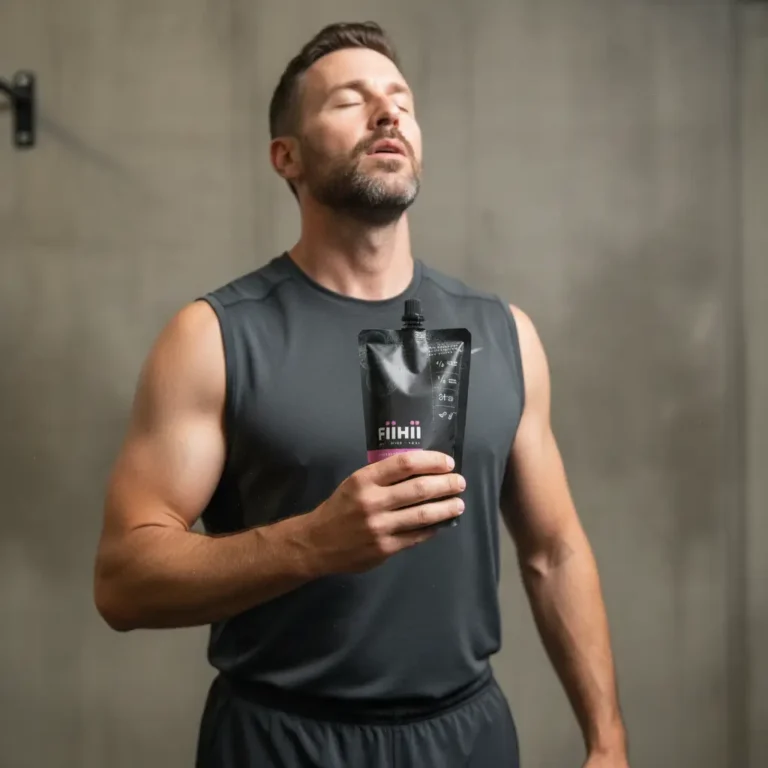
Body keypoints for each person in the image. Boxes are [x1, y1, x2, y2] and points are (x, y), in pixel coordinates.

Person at [94, 21, 629, 768]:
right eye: (350, 100)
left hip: (465, 738)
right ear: (288, 157)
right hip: (281, 740)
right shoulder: (213, 338)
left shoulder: (503, 333)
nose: (387, 114)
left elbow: (554, 551)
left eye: (400, 102)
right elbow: (124, 582)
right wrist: (312, 543)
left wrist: (607, 744)